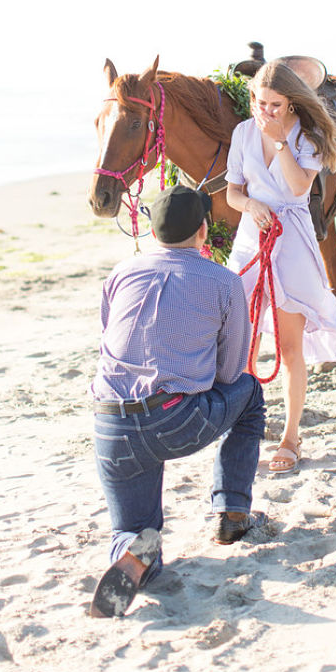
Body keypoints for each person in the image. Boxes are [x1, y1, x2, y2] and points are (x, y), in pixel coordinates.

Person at [90, 184, 265, 618]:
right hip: (174, 420)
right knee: (250, 394)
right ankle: (232, 513)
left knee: (132, 527)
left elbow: (108, 338)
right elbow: (230, 374)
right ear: (204, 231)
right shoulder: (225, 281)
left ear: (153, 232)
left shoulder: (122, 272)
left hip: (110, 423)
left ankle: (133, 552)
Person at [225, 60, 336, 476]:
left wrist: (278, 142)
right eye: (259, 102)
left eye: (274, 104)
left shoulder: (306, 136)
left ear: (292, 104)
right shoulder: (242, 133)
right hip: (249, 239)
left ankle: (291, 435)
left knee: (290, 348)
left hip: (290, 239)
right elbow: (235, 192)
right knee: (245, 345)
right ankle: (245, 427)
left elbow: (296, 187)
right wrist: (251, 204)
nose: (265, 112)